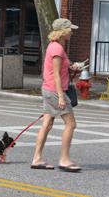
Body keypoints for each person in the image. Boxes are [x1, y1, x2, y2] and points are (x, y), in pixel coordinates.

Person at [31, 18, 82, 172]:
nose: (72, 32)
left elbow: (59, 70)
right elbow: (56, 76)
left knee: (47, 124)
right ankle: (64, 159)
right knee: (71, 124)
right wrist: (60, 96)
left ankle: (37, 159)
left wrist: (72, 67)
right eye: (70, 30)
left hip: (49, 89)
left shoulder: (55, 47)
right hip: (54, 91)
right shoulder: (57, 49)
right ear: (63, 31)